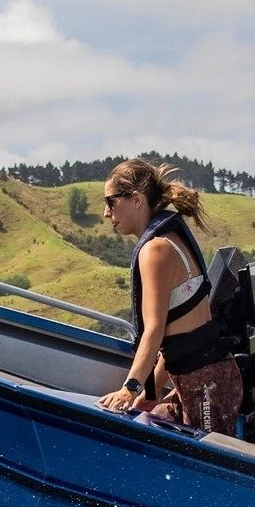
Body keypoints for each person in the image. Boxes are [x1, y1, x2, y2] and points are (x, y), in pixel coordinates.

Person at [97, 158, 243, 435]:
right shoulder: (169, 240)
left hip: (207, 385)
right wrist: (148, 395)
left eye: (111, 201)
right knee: (158, 416)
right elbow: (174, 340)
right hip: (211, 377)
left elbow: (154, 330)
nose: (106, 212)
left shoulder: (155, 251)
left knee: (204, 467)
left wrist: (129, 390)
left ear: (136, 200)